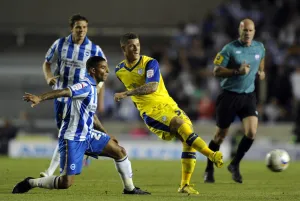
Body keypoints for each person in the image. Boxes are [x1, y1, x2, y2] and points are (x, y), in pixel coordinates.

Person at [12, 56, 150, 195]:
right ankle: (31, 182)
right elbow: (64, 91)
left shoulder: (94, 88)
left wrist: (106, 134)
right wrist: (40, 98)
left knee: (119, 151)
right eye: (103, 68)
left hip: (88, 135)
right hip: (72, 137)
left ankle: (129, 189)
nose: (107, 71)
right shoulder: (84, 85)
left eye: (107, 68)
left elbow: (93, 117)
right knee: (66, 183)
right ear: (92, 70)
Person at [114, 32, 223, 195]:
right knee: (180, 125)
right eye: (131, 45)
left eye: (137, 44)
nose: (136, 48)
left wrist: (126, 93)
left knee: (188, 137)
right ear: (124, 48)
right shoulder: (119, 70)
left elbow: (151, 87)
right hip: (151, 112)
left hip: (169, 105)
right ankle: (210, 154)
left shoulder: (150, 63)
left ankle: (185, 185)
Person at [40, 13, 107, 177]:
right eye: (78, 27)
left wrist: (99, 98)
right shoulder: (60, 44)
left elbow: (103, 72)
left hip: (81, 98)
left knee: (66, 132)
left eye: (85, 27)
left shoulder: (94, 49)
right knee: (65, 132)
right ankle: (81, 153)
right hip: (61, 96)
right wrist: (49, 77)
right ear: (71, 28)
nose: (82, 30)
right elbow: (46, 63)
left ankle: (50, 172)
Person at [203, 18, 265, 184]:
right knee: (219, 136)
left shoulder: (259, 47)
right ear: (240, 31)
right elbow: (216, 71)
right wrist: (238, 72)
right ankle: (209, 168)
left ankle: (235, 164)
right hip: (229, 96)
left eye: (250, 31)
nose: (247, 34)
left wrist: (261, 71)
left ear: (254, 32)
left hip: (248, 96)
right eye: (245, 31)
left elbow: (261, 59)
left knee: (251, 132)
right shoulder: (229, 49)